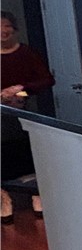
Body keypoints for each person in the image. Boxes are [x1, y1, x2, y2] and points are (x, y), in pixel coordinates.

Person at [1, 11, 55, 223]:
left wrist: (21, 89)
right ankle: (4, 199)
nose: (3, 31)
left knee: (32, 152)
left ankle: (37, 195)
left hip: (25, 109)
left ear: (14, 29)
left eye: (6, 26)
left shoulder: (27, 53)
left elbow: (47, 80)